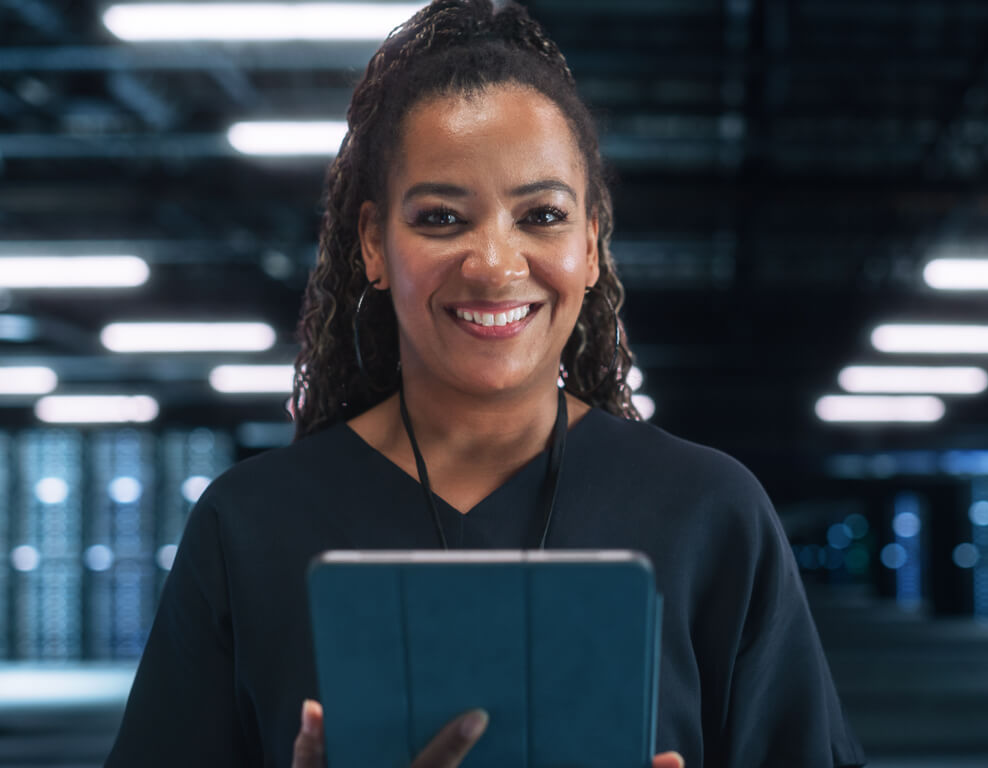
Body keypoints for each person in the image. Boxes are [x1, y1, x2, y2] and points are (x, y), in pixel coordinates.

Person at [105, 1, 867, 766]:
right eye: (441, 217)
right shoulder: (249, 526)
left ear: (592, 245)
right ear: (373, 243)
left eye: (541, 215)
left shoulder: (710, 514)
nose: (495, 265)